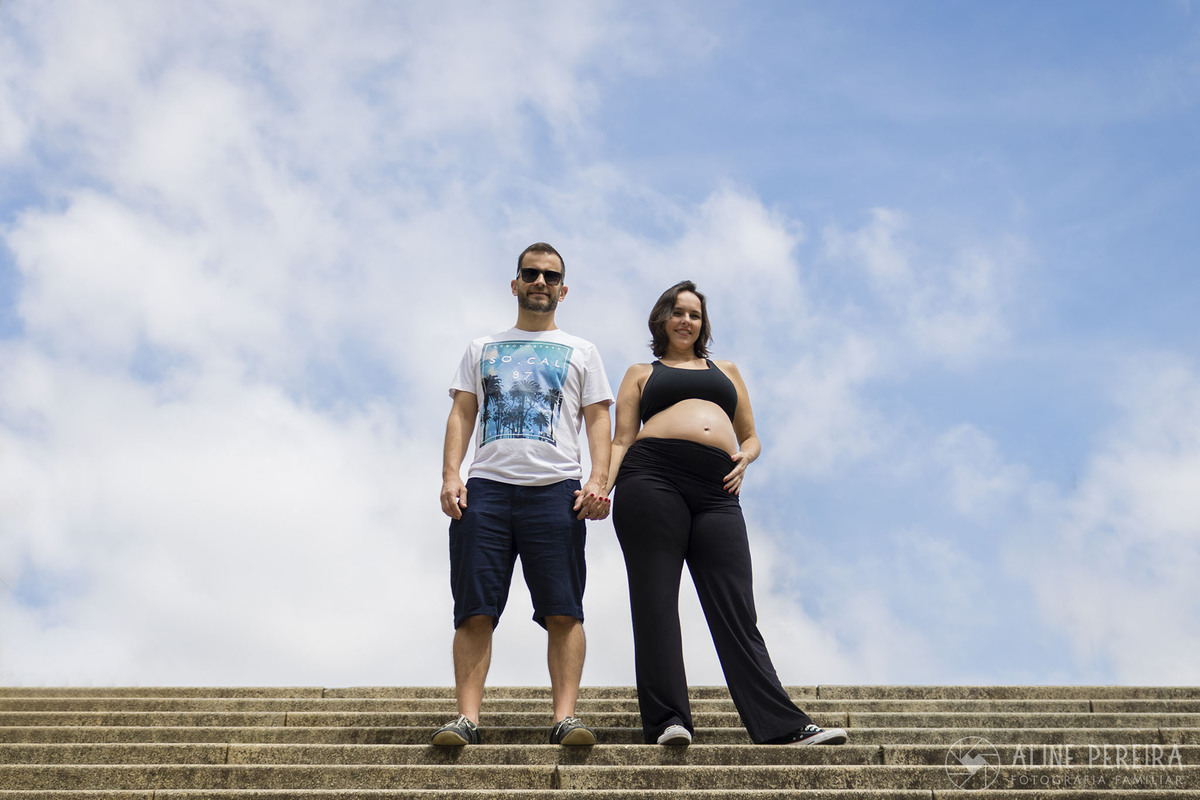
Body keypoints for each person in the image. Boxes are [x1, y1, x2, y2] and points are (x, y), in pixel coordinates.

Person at [606, 280, 848, 747]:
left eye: (694, 314)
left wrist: (747, 457)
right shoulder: (640, 372)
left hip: (718, 489)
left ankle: (782, 725)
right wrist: (601, 486)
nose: (686, 320)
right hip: (651, 477)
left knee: (737, 606)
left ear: (703, 324)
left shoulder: (727, 370)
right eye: (677, 312)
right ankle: (668, 721)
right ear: (662, 319)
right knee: (656, 601)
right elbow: (621, 438)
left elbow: (751, 435)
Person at [433, 242, 614, 747]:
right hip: (486, 489)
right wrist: (451, 475)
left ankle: (565, 718)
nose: (540, 282)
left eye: (550, 276)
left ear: (563, 289)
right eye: (530, 274)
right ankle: (466, 719)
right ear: (515, 283)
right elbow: (463, 412)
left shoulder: (583, 350)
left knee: (564, 608)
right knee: (474, 609)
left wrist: (599, 481)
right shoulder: (481, 348)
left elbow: (600, 417)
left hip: (556, 489)